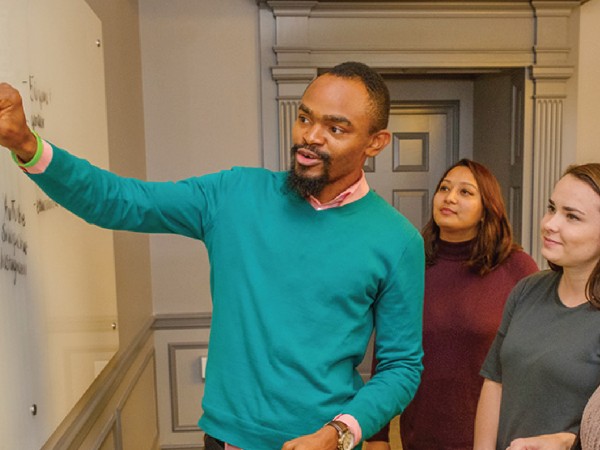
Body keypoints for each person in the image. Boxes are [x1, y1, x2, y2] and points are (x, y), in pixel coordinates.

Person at [0, 62, 425, 450]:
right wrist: (25, 143)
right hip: (226, 440)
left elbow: (402, 366)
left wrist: (340, 432)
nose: (310, 136)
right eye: (304, 118)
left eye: (336, 128)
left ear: (376, 142)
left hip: (322, 442)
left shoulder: (397, 239)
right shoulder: (233, 194)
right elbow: (117, 200)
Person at [365, 159, 539, 450]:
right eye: (444, 188)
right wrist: (378, 437)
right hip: (421, 436)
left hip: (496, 439)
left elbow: (537, 358)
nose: (449, 197)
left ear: (488, 209)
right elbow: (387, 352)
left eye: (466, 192)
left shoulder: (516, 268)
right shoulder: (410, 264)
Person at [474, 163, 600, 450]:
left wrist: (569, 442)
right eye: (552, 208)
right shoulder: (527, 290)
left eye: (572, 217)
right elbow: (495, 381)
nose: (550, 223)